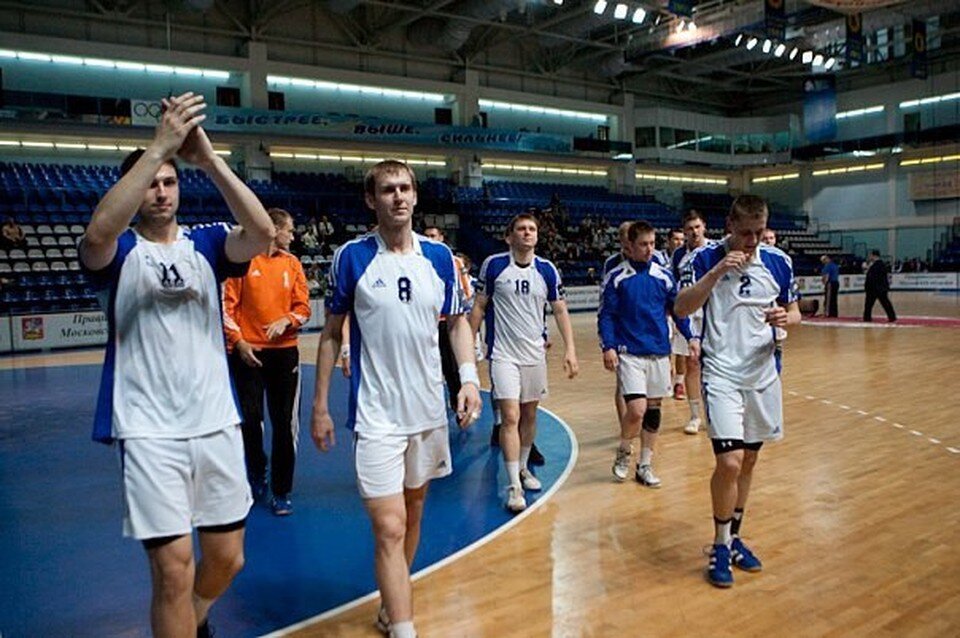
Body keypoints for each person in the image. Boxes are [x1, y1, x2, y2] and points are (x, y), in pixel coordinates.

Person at [79, 92, 275, 637]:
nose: (160, 192)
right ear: (136, 191)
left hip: (214, 422)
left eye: (169, 181)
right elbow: (96, 236)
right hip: (147, 431)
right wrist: (158, 145)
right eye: (151, 183)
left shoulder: (207, 244)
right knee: (171, 572)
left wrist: (208, 160)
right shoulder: (118, 253)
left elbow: (261, 234)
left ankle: (197, 617)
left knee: (228, 559)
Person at [310, 160, 481, 638]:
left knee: (414, 513)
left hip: (427, 410)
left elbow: (457, 322)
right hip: (376, 415)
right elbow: (329, 333)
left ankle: (392, 603)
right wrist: (320, 405)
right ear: (372, 200)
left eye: (406, 188)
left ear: (416, 196)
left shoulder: (440, 258)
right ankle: (405, 628)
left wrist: (467, 378)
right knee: (389, 526)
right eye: (388, 190)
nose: (399, 197)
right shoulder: (351, 257)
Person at [674, 194, 801, 589]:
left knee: (747, 462)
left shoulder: (779, 262)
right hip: (722, 374)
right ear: (729, 225)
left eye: (758, 233)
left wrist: (787, 317)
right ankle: (719, 546)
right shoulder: (702, 259)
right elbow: (680, 307)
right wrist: (715, 275)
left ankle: (734, 537)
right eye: (745, 232)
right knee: (728, 463)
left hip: (763, 374)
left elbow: (794, 311)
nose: (752, 240)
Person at [470, 213, 579, 513]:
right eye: (521, 229)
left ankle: (522, 467)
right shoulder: (494, 265)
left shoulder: (547, 270)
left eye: (532, 229)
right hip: (503, 354)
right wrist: (470, 342)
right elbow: (479, 306)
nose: (527, 233)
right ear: (509, 237)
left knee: (530, 416)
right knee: (510, 416)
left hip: (535, 355)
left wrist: (570, 349)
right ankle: (513, 485)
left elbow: (560, 310)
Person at [223, 207, 311, 516]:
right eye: (289, 229)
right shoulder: (242, 262)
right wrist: (239, 342)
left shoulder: (293, 264)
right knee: (250, 420)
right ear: (274, 230)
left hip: (284, 353)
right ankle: (256, 470)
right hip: (248, 354)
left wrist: (287, 320)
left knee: (284, 424)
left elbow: (304, 307)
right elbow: (227, 308)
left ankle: (282, 490)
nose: (293, 234)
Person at [599, 221, 694, 487]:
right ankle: (624, 450)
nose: (649, 249)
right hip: (629, 353)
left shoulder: (664, 276)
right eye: (643, 244)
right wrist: (608, 346)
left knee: (653, 411)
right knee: (637, 410)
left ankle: (645, 464)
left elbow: (678, 310)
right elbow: (607, 315)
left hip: (659, 352)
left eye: (652, 243)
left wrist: (692, 337)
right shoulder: (617, 277)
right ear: (629, 246)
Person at [423, 225, 473, 412]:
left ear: (442, 237)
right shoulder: (415, 260)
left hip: (447, 322)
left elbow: (466, 293)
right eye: (427, 235)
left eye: (433, 235)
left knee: (451, 368)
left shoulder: (454, 262)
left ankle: (459, 406)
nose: (430, 238)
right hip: (425, 325)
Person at [672, 210, 712, 435]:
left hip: (711, 313)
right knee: (692, 364)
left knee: (714, 365)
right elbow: (673, 285)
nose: (694, 232)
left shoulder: (715, 250)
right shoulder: (678, 255)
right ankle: (695, 415)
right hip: (688, 315)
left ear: (704, 226)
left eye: (697, 227)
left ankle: (715, 413)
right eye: (689, 228)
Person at [665, 228, 687, 400]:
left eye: (682, 239)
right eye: (676, 239)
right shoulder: (657, 257)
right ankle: (665, 375)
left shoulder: (686, 258)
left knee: (681, 348)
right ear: (668, 241)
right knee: (664, 346)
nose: (679, 242)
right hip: (663, 308)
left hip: (680, 306)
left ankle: (679, 382)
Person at [863, 249, 897, 322]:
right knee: (886, 303)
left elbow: (871, 278)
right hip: (881, 288)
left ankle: (867, 318)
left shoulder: (875, 266)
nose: (869, 257)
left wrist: (867, 287)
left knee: (869, 305)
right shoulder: (882, 265)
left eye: (871, 255)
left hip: (874, 289)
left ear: (873, 255)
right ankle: (892, 317)